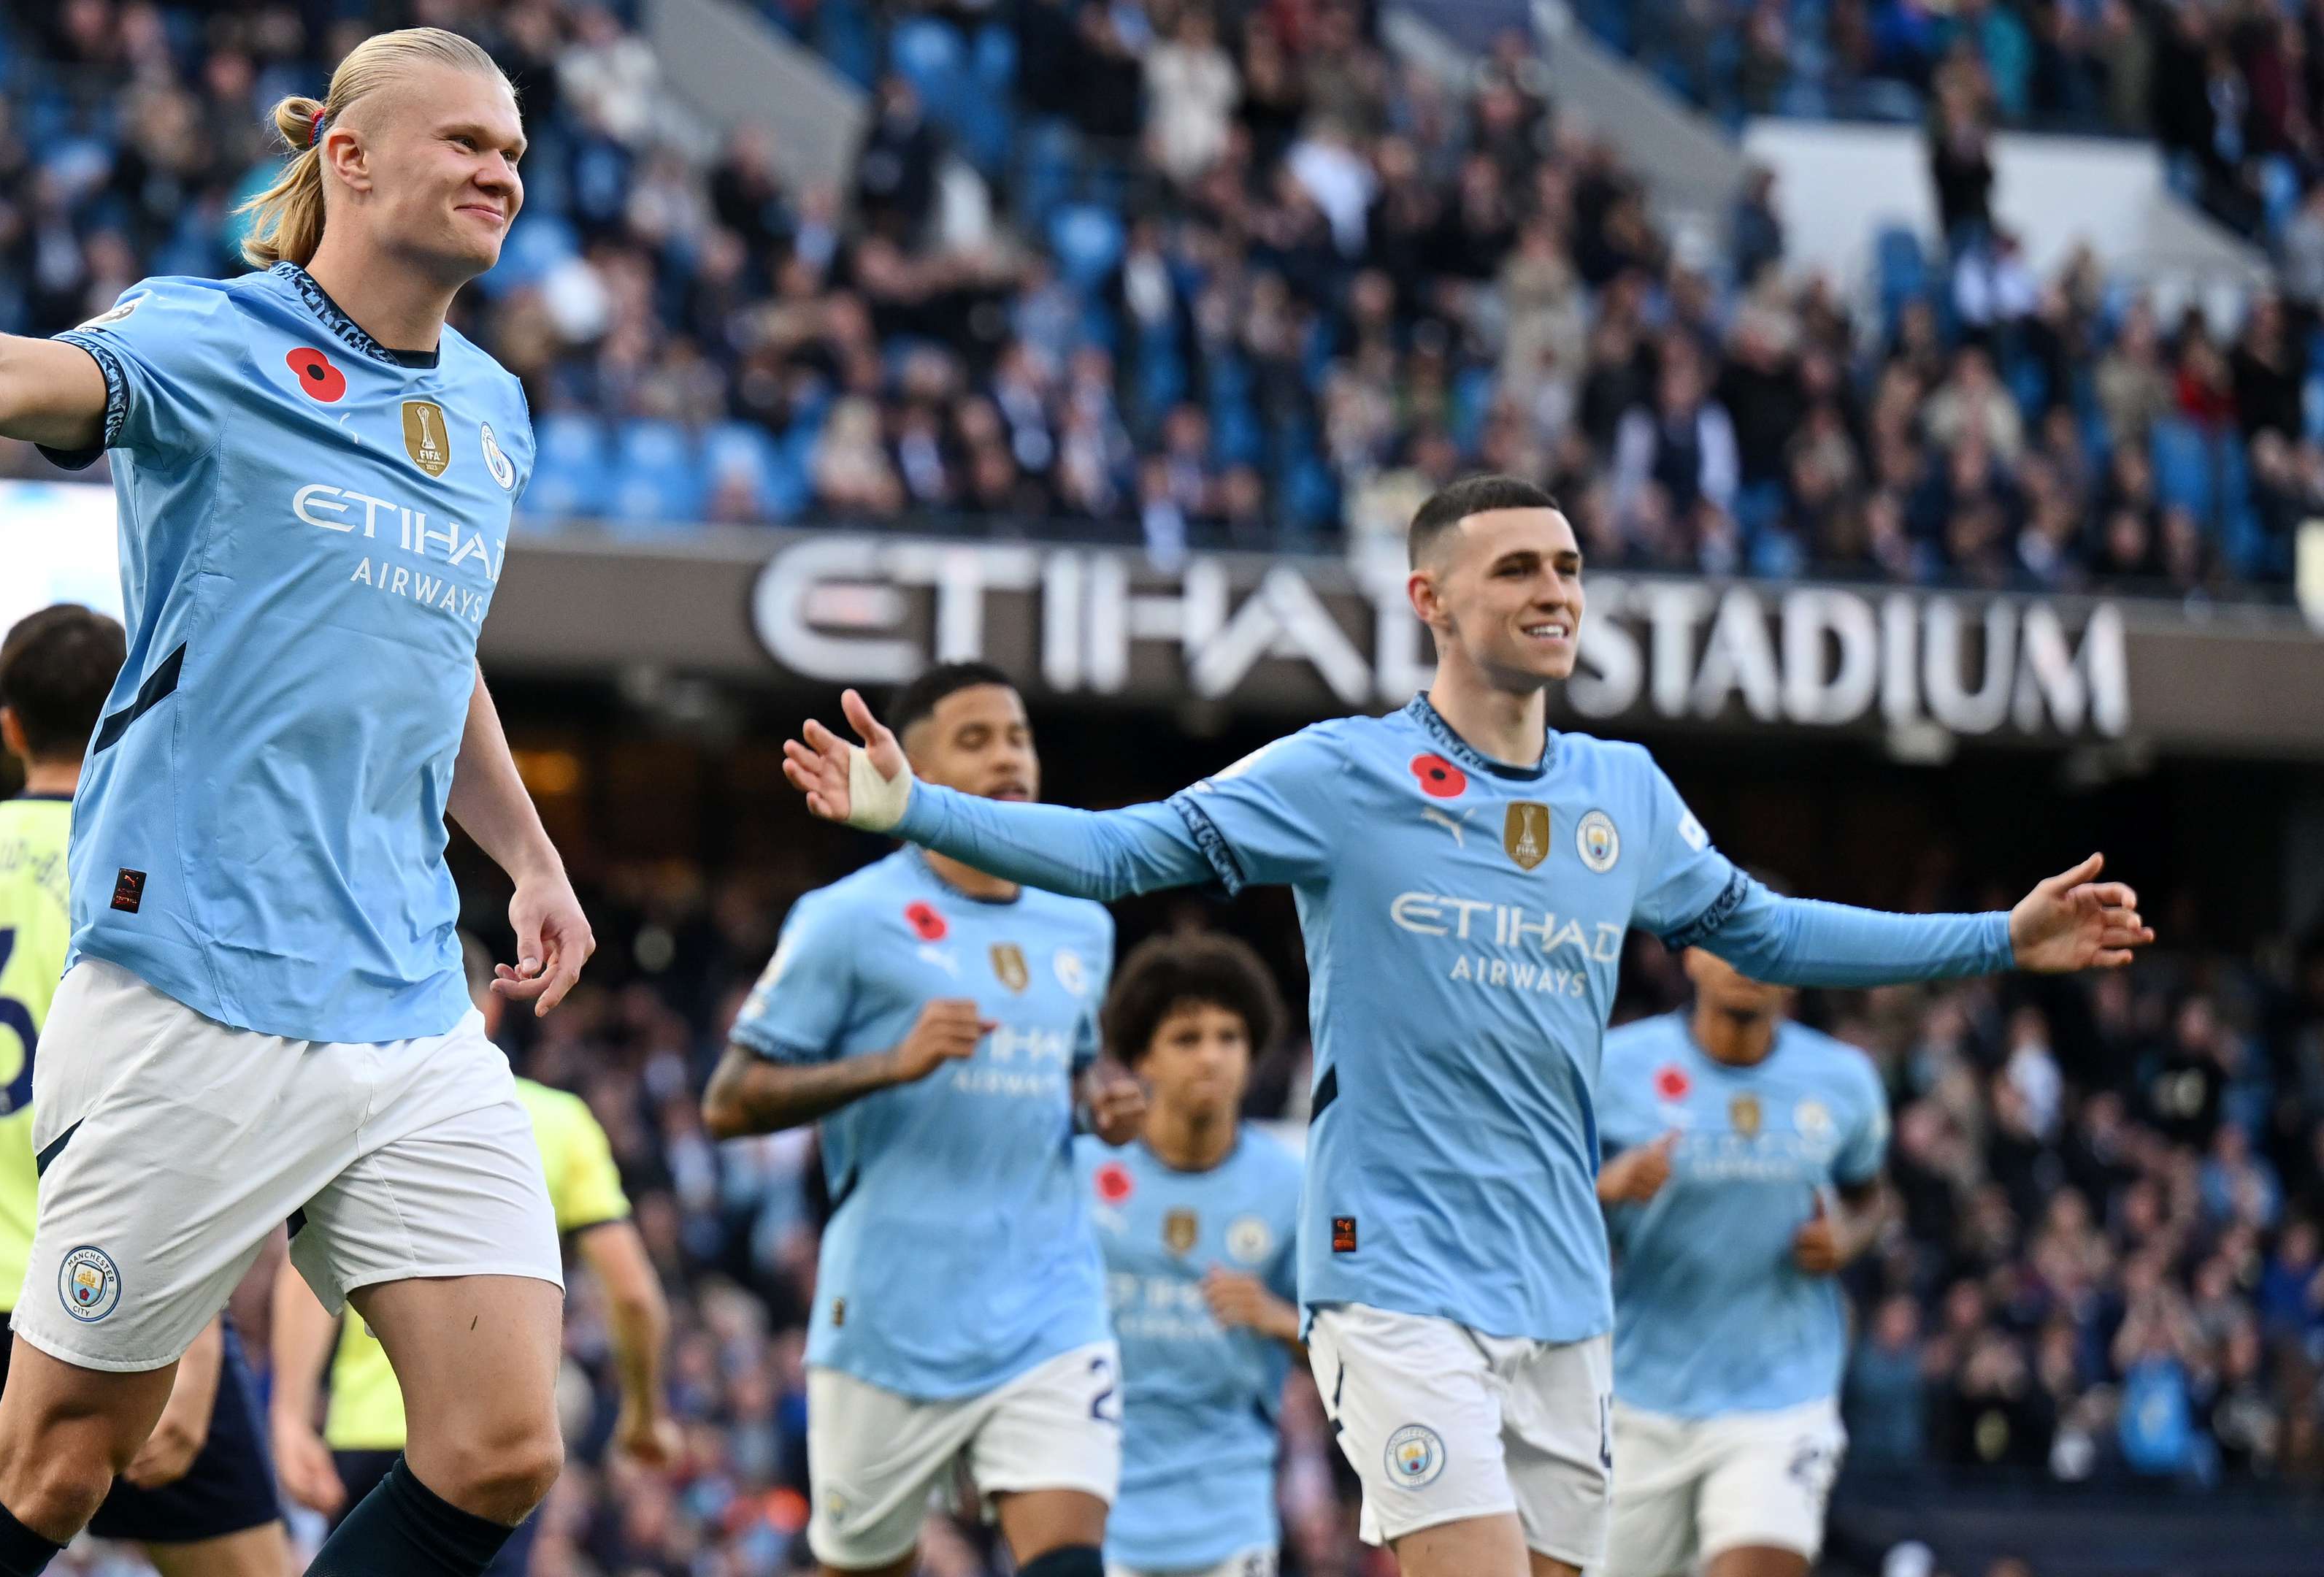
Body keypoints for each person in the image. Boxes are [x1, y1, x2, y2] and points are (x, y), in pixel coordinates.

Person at [776, 473, 2152, 1577]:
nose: (1555, 592)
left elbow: (1771, 935)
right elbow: (1134, 850)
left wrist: (2001, 941)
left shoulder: (1625, 790)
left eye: (1567, 569)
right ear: (1433, 600)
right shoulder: (1343, 774)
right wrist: (916, 813)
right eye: (1519, 571)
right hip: (1394, 1274)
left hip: (1563, 1292)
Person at [0, 28, 597, 1577]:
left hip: (401, 995)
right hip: (195, 985)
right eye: (465, 141)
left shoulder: (493, 412)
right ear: (350, 156)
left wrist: (525, 853)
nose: (499, 172)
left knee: (502, 1446)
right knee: (55, 1464)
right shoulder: (211, 339)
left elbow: (428, 643)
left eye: (515, 153)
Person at [702, 660, 1142, 1577]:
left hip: (1050, 1307)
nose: (1008, 756)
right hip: (891, 1324)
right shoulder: (849, 921)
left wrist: (1102, 1098)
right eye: (975, 740)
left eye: (1017, 735)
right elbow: (728, 1102)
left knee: (1069, 1563)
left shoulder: (1080, 919)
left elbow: (1072, 1063)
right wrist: (889, 1064)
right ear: (915, 768)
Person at [0, 605, 294, 1577]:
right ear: (131, 706)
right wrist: (197, 1335)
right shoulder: (159, 874)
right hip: (120, 1289)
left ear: (9, 727)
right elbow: (202, 1108)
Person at [271, 935, 682, 1558]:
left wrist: (290, 1415)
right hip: (490, 1434)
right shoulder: (557, 1120)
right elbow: (632, 1294)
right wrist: (645, 1414)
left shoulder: (357, 1101)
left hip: (362, 1431)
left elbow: (308, 1273)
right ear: (486, 1008)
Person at [1592, 935, 1889, 1577]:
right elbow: (1538, 1201)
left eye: (1772, 950)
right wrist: (1605, 1185)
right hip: (1642, 1392)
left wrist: (1849, 1235)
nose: (1749, 965)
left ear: (1796, 975)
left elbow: (1871, 1195)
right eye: (1732, 946)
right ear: (1692, 958)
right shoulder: (1613, 1066)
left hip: (1784, 1393)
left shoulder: (1843, 1079)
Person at [1079, 935, 1303, 1577]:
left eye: (1230, 1037)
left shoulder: (1294, 1186)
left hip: (1231, 1511)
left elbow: (1355, 1339)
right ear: (1140, 1057)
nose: (1213, 1057)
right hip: (1092, 1501)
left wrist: (1277, 1317)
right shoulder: (1080, 1174)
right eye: (1187, 1038)